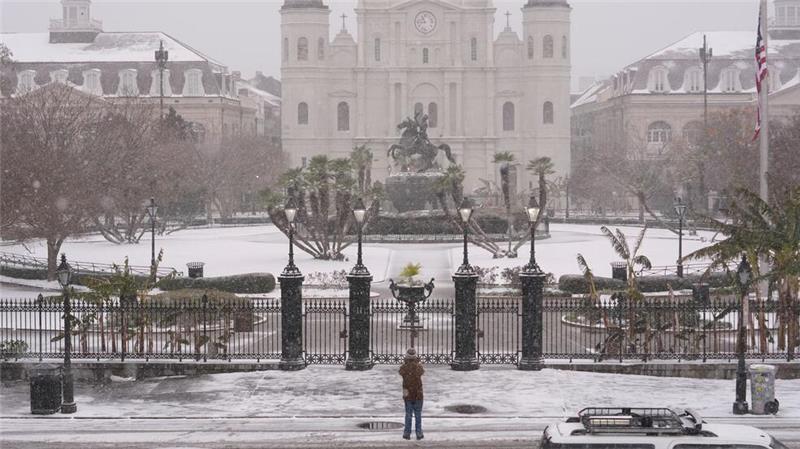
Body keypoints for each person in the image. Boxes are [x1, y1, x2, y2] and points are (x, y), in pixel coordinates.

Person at [399, 347, 424, 440]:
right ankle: (419, 432)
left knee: (408, 414)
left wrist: (407, 363)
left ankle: (407, 433)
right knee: (418, 414)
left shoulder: (404, 367)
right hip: (418, 393)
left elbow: (401, 372)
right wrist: (416, 362)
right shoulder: (418, 367)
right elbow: (421, 372)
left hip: (408, 393)